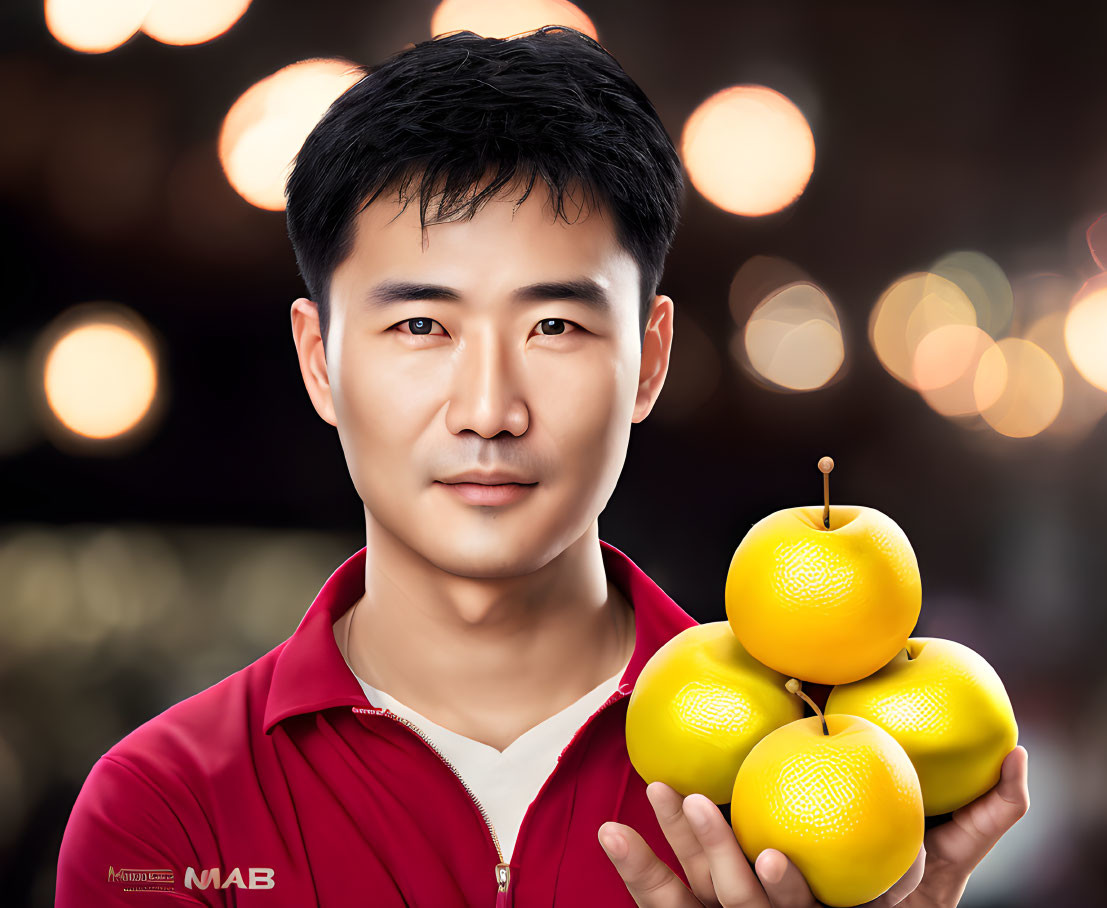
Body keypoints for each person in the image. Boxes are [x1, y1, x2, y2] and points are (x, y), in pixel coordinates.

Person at [55, 25, 1028, 907]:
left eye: (555, 323)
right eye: (421, 324)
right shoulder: (170, 806)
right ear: (320, 361)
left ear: (648, 359)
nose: (489, 409)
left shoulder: (801, 788)